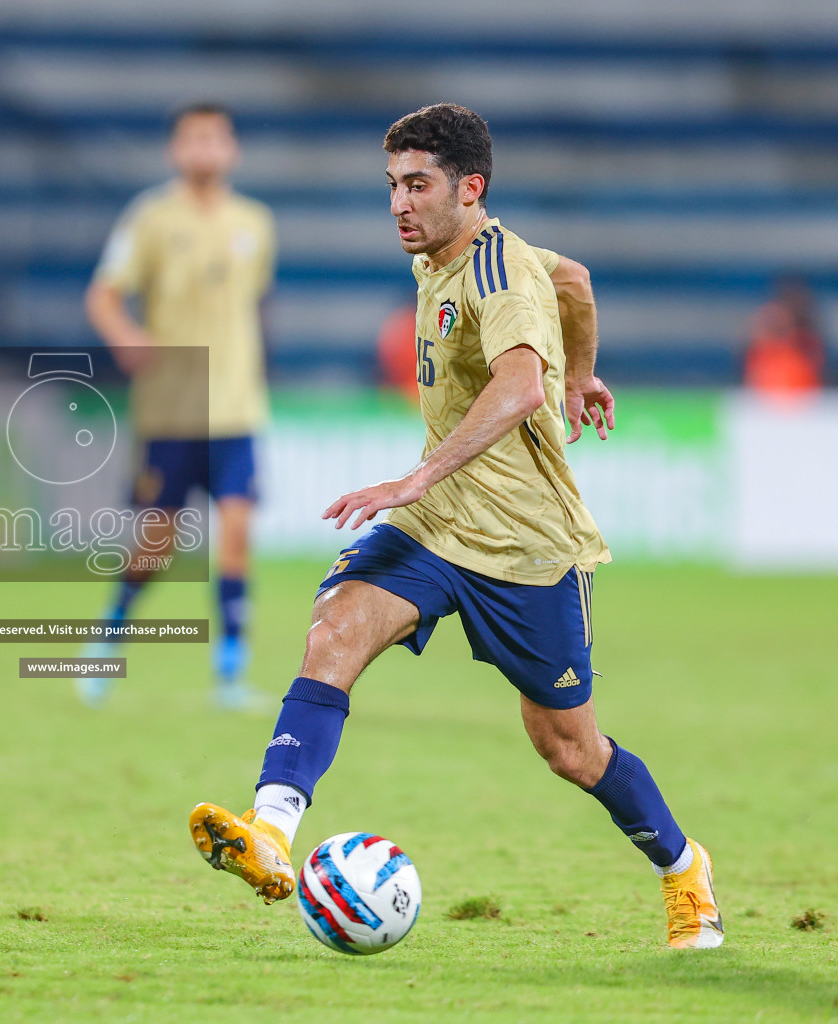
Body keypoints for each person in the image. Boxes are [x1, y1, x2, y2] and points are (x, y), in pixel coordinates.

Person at [186, 104, 723, 950]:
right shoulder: (445, 255)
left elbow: (514, 388)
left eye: (417, 185)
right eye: (392, 186)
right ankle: (270, 830)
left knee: (569, 749)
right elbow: (576, 278)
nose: (398, 203)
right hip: (437, 527)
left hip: (526, 547)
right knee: (333, 631)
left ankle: (684, 867)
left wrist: (417, 474)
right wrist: (583, 372)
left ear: (470, 191)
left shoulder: (499, 271)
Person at [81, 101, 276, 710]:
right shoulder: (151, 218)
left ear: (231, 149)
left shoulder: (256, 223)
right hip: (171, 408)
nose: (204, 150)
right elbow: (104, 294)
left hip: (238, 408)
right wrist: (125, 336)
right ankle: (109, 632)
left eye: (215, 139)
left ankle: (231, 668)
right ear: (175, 150)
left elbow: (254, 303)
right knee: (158, 543)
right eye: (193, 139)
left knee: (238, 529)